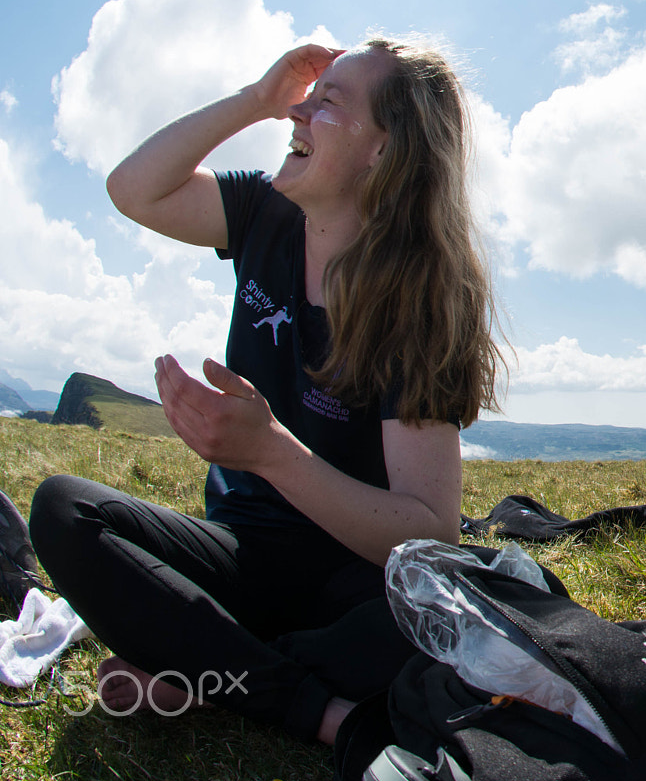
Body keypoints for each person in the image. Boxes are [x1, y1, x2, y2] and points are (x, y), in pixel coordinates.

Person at [29, 38, 502, 742]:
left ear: (383, 151)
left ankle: (228, 681)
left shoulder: (419, 303)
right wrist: (256, 99)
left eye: (329, 103)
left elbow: (426, 531)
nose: (300, 113)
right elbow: (135, 190)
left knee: (441, 620)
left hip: (350, 581)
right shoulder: (264, 216)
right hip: (242, 555)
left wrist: (273, 453)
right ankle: (284, 690)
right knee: (65, 511)